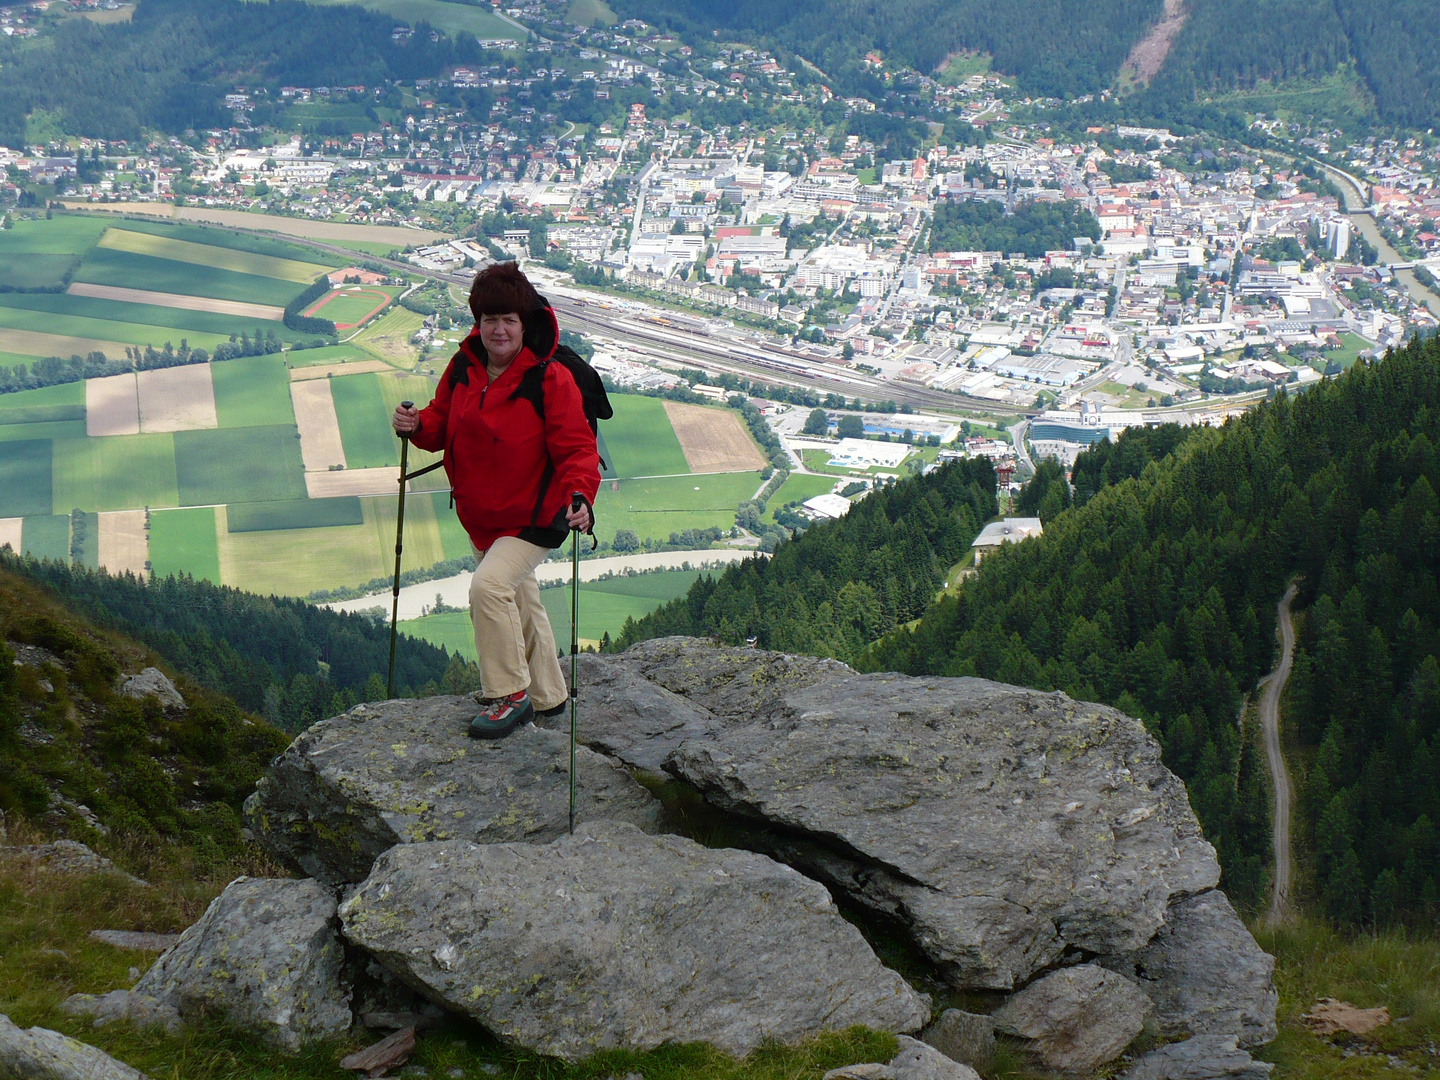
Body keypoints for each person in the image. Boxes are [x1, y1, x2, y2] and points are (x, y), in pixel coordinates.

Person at [393, 263, 599, 740]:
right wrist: (417, 424)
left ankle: (509, 695)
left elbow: (576, 450)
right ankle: (549, 697)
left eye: (508, 319)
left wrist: (581, 496)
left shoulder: (548, 379)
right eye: (489, 319)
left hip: (534, 515)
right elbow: (442, 423)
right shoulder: (465, 367)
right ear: (477, 321)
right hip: (483, 516)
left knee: (489, 589)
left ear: (524, 322)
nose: (498, 329)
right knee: (521, 600)